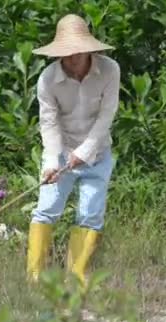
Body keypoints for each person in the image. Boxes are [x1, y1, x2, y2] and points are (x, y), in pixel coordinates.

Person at [26, 13, 120, 288]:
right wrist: (52, 162)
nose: (71, 59)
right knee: (46, 209)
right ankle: (35, 279)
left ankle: (77, 278)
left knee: (91, 213)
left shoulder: (110, 70)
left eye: (76, 53)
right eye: (65, 54)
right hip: (62, 154)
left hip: (98, 153)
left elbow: (107, 115)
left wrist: (86, 151)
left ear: (89, 49)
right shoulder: (46, 79)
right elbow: (48, 123)